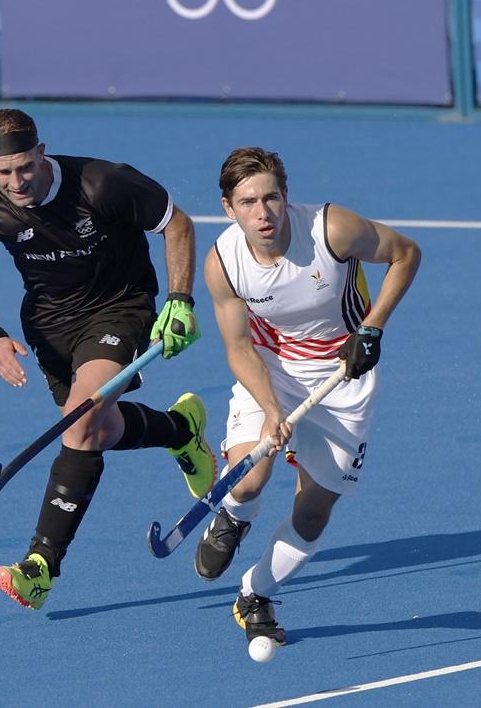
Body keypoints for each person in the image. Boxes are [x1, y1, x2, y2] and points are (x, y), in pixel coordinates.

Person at [0, 108, 216, 609]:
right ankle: (180, 431)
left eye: (25, 166)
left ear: (42, 152)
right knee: (99, 429)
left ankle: (39, 565)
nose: (16, 180)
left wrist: (181, 299)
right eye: (2, 172)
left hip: (120, 306)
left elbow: (175, 224)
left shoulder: (101, 183)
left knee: (80, 421)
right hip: (49, 326)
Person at [196, 146, 421, 645]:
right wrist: (273, 408)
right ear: (228, 209)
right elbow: (238, 348)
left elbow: (406, 254)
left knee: (315, 511)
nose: (263, 213)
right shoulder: (223, 263)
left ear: (286, 195)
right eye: (248, 202)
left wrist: (372, 329)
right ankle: (235, 515)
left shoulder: (330, 229)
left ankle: (256, 591)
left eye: (271, 198)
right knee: (251, 479)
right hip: (270, 371)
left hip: (345, 379)